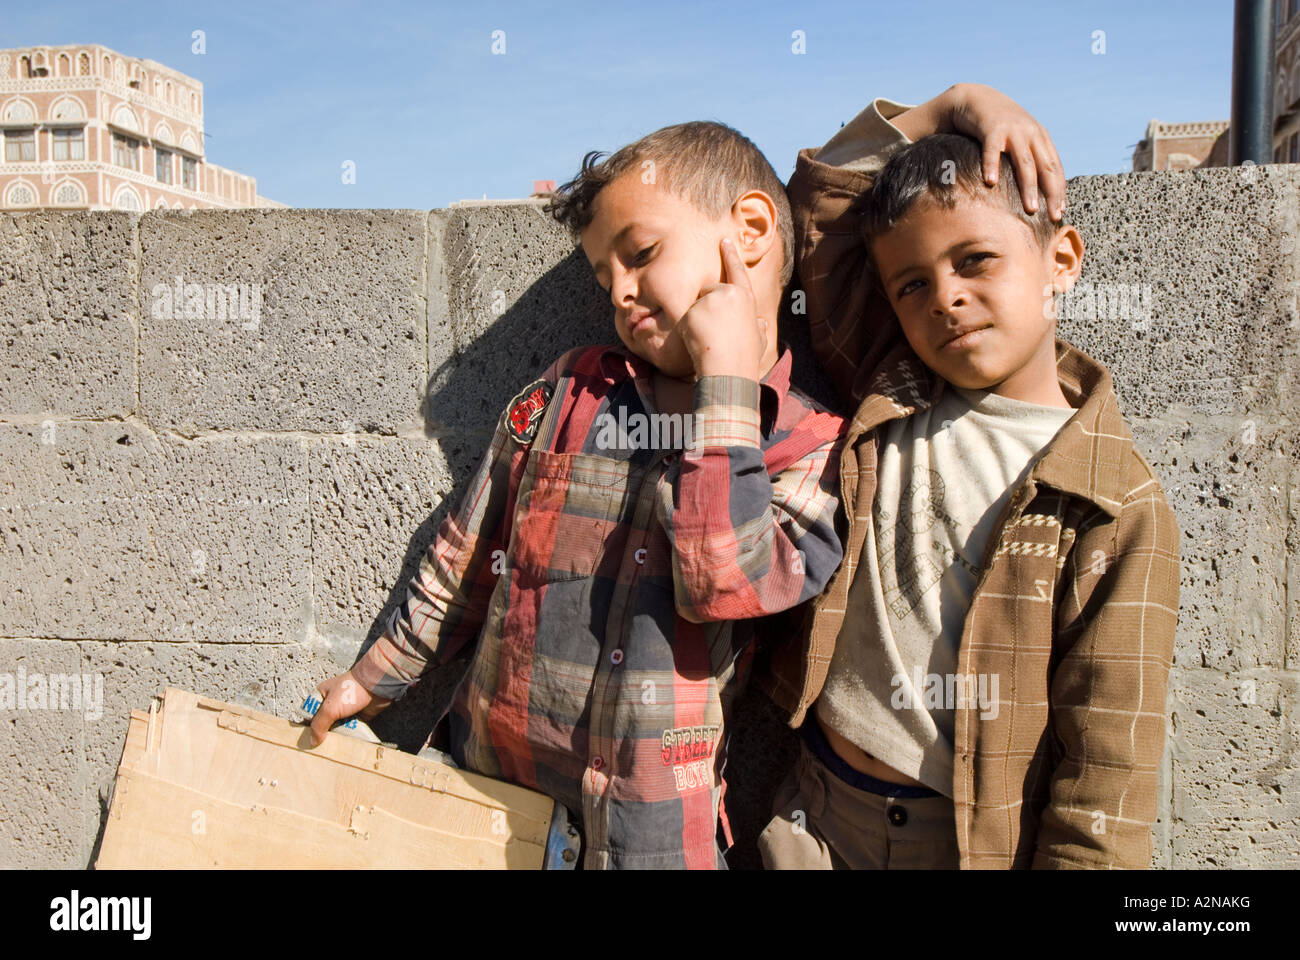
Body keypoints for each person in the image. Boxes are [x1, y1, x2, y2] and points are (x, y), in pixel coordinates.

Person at [308, 120, 847, 869]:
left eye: (643, 254)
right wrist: (374, 681)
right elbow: (463, 560)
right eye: (603, 278)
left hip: (650, 840)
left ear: (750, 230)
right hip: (488, 810)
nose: (621, 292)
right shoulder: (570, 395)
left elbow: (722, 579)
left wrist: (725, 379)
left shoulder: (809, 445)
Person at [758, 85, 1181, 869]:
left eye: (976, 260)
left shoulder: (1114, 502)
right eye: (911, 285)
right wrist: (960, 104)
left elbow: (1107, 774)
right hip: (814, 811)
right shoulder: (886, 385)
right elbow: (824, 201)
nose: (946, 298)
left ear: (1061, 261)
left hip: (960, 846)